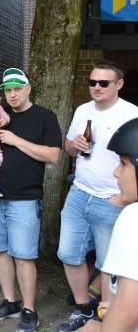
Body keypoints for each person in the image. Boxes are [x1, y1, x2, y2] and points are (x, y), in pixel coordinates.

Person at [56, 60, 138, 332]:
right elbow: (68, 147)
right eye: (92, 82)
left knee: (110, 266)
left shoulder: (132, 114)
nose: (97, 87)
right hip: (79, 192)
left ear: (119, 84)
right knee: (68, 253)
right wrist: (74, 144)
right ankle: (83, 309)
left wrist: (122, 199)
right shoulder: (83, 110)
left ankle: (108, 320)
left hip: (112, 199)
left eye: (104, 82)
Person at [0, 68, 61, 332]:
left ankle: (29, 309)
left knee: (24, 256)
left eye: (17, 89)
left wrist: (15, 140)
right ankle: (10, 302)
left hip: (25, 198)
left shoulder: (45, 117)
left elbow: (53, 156)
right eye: (8, 90)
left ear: (28, 89)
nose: (12, 95)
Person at [82, 117, 138, 332]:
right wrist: (117, 305)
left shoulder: (133, 216)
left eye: (123, 163)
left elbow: (128, 312)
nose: (116, 172)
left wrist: (105, 326)